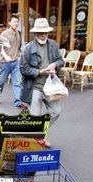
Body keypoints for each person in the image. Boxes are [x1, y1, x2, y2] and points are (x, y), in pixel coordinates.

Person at [20, 18, 64, 147]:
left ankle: (39, 133)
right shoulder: (28, 48)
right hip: (35, 87)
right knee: (34, 117)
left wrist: (55, 64)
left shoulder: (53, 45)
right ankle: (37, 137)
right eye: (40, 32)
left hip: (50, 87)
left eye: (45, 32)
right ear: (35, 33)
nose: (43, 35)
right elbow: (23, 69)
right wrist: (40, 72)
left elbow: (61, 61)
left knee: (56, 111)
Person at [0, 14, 23, 108]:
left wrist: (20, 55)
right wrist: (5, 56)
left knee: (17, 82)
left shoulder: (18, 33)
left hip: (16, 62)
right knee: (1, 81)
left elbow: (19, 47)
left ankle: (18, 102)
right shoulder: (4, 34)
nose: (16, 23)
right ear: (9, 23)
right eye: (14, 21)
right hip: (5, 63)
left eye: (17, 22)